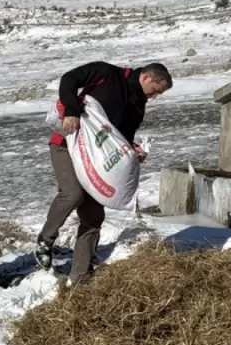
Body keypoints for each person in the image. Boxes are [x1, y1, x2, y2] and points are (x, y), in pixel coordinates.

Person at [35, 61, 172, 284]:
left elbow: (121, 138)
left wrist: (134, 150)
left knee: (93, 216)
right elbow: (69, 80)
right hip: (67, 144)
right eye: (156, 90)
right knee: (73, 194)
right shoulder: (107, 73)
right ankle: (45, 240)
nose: (155, 96)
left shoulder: (138, 105)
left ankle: (80, 276)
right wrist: (72, 111)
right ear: (147, 78)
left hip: (95, 161)